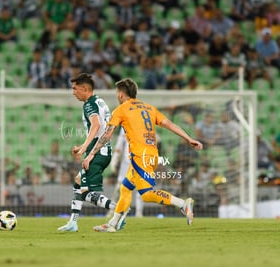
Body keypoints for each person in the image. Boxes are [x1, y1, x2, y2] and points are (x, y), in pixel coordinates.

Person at [82, 78, 203, 232]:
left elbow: (107, 134)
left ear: (120, 94)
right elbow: (168, 124)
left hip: (141, 155)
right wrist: (189, 138)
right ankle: (113, 223)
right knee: (125, 187)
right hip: (151, 153)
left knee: (146, 194)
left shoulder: (121, 109)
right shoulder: (149, 108)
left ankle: (182, 204)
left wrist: (91, 154)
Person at [58, 73, 117, 232]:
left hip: (97, 153)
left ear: (84, 89)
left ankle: (119, 210)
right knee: (78, 182)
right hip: (102, 150)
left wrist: (84, 148)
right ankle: (73, 222)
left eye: (75, 88)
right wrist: (84, 146)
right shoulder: (100, 101)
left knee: (86, 193)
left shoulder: (89, 104)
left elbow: (96, 125)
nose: (73, 92)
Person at [110, 127, 143, 217]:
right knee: (119, 186)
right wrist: (115, 159)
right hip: (126, 163)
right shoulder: (124, 127)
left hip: (139, 161)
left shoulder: (142, 124)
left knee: (140, 187)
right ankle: (112, 210)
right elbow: (119, 145)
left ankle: (139, 213)